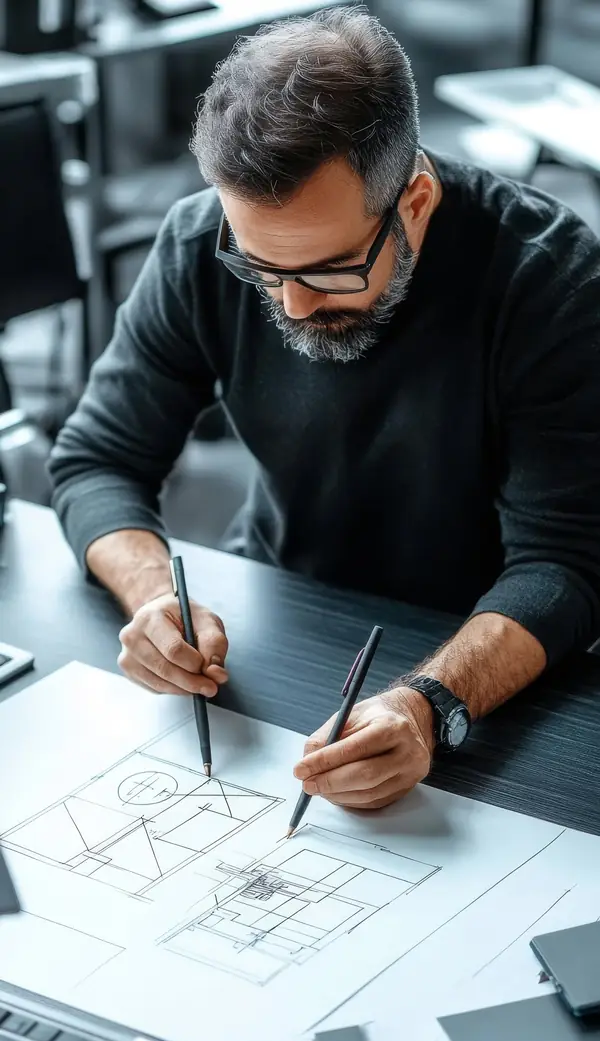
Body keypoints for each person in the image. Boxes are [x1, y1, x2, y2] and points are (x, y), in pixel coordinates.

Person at [49, 6, 600, 812]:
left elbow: (567, 563)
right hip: (279, 605)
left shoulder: (550, 280)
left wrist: (430, 702)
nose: (293, 305)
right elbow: (98, 458)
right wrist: (153, 596)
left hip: (494, 657)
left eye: (329, 271)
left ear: (415, 201)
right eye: (261, 269)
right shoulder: (199, 243)